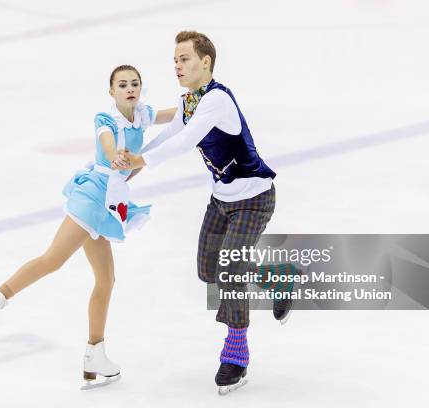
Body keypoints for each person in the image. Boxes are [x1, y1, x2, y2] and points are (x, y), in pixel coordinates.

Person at [0, 65, 176, 388]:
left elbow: (171, 116)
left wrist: (195, 103)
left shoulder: (142, 113)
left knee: (106, 279)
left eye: (135, 84)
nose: (130, 88)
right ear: (111, 91)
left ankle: (94, 353)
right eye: (123, 84)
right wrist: (116, 158)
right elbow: (109, 146)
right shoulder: (106, 120)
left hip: (107, 203)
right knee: (53, 260)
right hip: (92, 197)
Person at [115, 31, 299, 395]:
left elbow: (185, 141)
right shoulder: (190, 102)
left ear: (206, 62)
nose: (177, 66)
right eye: (175, 60)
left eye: (184, 59)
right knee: (207, 271)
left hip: (254, 199)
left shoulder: (216, 100)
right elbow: (167, 137)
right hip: (221, 202)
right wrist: (124, 172)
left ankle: (236, 355)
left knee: (230, 272)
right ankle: (279, 276)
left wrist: (140, 160)